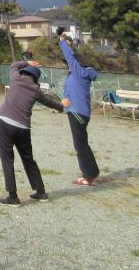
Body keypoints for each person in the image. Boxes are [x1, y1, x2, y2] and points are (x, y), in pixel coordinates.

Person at [0, 59, 64, 205]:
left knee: (7, 159)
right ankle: (41, 192)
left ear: (24, 72)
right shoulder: (35, 90)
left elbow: (13, 65)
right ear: (35, 78)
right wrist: (62, 106)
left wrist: (27, 62)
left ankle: (13, 197)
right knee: (28, 159)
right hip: (23, 128)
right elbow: (49, 102)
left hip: (5, 122)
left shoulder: (16, 78)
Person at [58, 29, 100, 186]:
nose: (67, 64)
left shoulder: (79, 72)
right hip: (78, 111)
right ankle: (93, 172)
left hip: (77, 112)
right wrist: (64, 101)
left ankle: (88, 176)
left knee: (79, 145)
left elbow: (70, 57)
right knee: (83, 143)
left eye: (69, 64)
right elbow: (69, 91)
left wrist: (62, 40)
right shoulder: (76, 75)